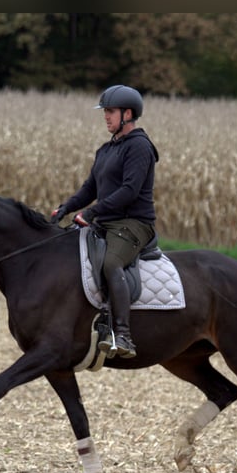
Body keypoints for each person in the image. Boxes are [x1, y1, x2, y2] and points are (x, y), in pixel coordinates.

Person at [51, 85, 159, 359]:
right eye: (105, 112)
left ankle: (122, 334)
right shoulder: (106, 150)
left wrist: (90, 213)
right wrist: (66, 208)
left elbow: (129, 191)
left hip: (133, 224)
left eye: (110, 112)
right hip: (107, 222)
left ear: (128, 113)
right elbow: (90, 188)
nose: (106, 117)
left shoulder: (139, 146)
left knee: (111, 263)